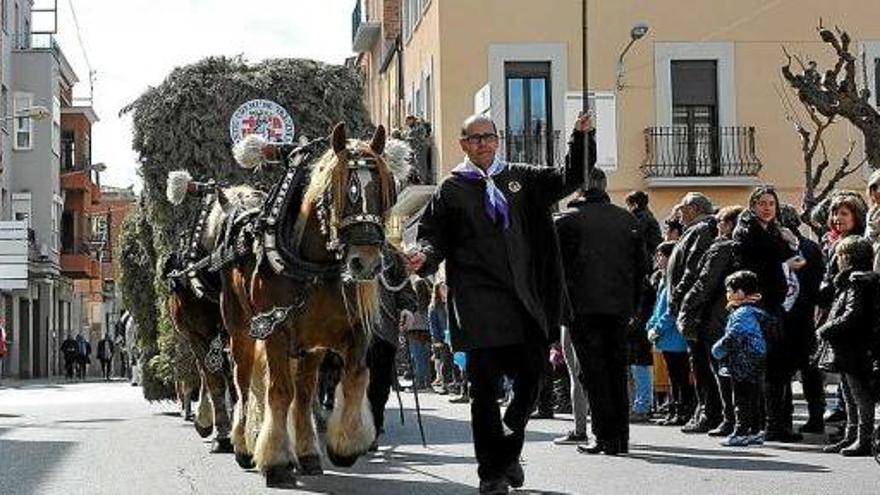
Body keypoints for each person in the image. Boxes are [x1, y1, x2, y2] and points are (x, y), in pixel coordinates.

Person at [408, 112, 594, 494]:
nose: (482, 144)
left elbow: (570, 177)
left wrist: (580, 137)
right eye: (474, 138)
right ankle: (491, 473)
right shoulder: (451, 190)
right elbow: (432, 238)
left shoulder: (523, 178)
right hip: (479, 304)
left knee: (532, 379)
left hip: (527, 299)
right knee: (483, 392)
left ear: (498, 140)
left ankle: (509, 448)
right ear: (463, 144)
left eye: (488, 137)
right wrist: (422, 257)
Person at [556, 167, 648, 455]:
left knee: (593, 373)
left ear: (578, 190)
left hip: (582, 308)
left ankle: (603, 436)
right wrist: (633, 306)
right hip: (619, 308)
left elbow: (554, 271)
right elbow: (640, 268)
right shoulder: (627, 220)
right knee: (615, 371)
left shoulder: (566, 222)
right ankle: (619, 437)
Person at [733, 186, 802, 442]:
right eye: (762, 203)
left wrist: (792, 243)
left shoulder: (778, 232)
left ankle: (776, 423)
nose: (767, 208)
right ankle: (753, 424)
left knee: (776, 368)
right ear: (753, 206)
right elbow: (750, 266)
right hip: (755, 306)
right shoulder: (746, 233)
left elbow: (797, 263)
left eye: (771, 203)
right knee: (754, 367)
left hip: (776, 305)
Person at [677, 205, 744, 436]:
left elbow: (704, 282)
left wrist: (685, 303)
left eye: (722, 222)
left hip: (715, 316)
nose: (717, 227)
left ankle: (728, 419)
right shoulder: (738, 248)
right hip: (726, 314)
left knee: (720, 370)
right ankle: (733, 418)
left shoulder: (722, 248)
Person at [816, 236, 880, 456]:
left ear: (848, 258)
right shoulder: (851, 281)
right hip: (849, 347)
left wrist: (826, 329)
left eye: (840, 255)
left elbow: (852, 314)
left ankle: (864, 439)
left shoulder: (857, 282)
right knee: (848, 393)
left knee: (859, 395)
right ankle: (851, 436)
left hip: (855, 347)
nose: (837, 260)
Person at [667, 192, 719, 434]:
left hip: (697, 309)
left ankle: (709, 412)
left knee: (701, 363)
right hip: (691, 307)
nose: (679, 213)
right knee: (697, 362)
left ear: (694, 208)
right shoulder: (696, 230)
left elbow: (693, 268)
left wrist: (678, 296)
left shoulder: (702, 230)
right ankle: (705, 410)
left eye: (683, 208)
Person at [779, 204, 827, 434]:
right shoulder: (812, 247)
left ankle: (784, 418)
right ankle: (816, 416)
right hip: (807, 314)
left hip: (786, 315)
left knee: (783, 371)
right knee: (810, 371)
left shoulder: (785, 248)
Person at [366, 246, 417, 451]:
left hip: (383, 329)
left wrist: (407, 308)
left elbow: (404, 289)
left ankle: (373, 427)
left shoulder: (391, 254)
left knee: (379, 383)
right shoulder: (339, 245)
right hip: (348, 329)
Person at [711, 271, 769, 447]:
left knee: (741, 397)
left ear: (741, 293)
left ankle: (741, 431)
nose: (727, 295)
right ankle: (755, 430)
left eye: (730, 291)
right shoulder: (758, 308)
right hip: (756, 358)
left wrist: (717, 349)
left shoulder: (742, 313)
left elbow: (734, 335)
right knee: (754, 395)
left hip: (742, 359)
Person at [646, 241, 693, 427]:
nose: (658, 259)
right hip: (665, 336)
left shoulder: (673, 281)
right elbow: (658, 308)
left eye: (661, 255)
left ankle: (683, 410)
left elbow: (670, 311)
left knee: (679, 376)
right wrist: (651, 324)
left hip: (674, 336)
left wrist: (657, 328)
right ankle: (675, 409)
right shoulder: (663, 279)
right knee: (673, 375)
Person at [626, 190, 663, 255]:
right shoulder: (647, 215)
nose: (627, 208)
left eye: (628, 205)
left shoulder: (642, 217)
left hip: (648, 254)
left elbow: (635, 234)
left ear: (635, 205)